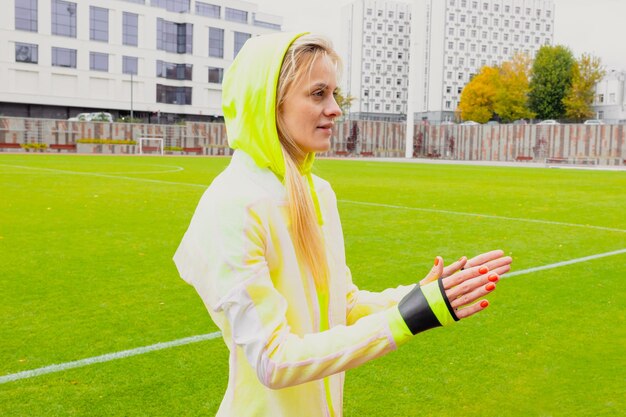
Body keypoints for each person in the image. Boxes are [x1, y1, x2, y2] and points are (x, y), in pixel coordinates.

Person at [174, 32, 512, 417]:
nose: (335, 109)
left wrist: (422, 295)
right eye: (318, 94)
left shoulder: (318, 192)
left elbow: (343, 304)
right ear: (270, 101)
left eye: (335, 94)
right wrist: (404, 320)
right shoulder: (232, 205)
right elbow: (273, 360)